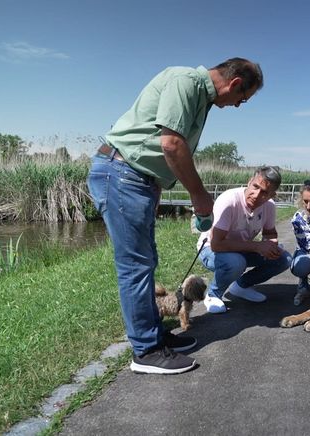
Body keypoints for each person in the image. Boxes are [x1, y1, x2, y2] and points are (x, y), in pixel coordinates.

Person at [87, 57, 263, 375]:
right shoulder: (185, 83)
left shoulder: (199, 96)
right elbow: (171, 144)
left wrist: (154, 189)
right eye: (242, 99)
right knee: (136, 267)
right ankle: (146, 351)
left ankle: (155, 337)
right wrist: (198, 194)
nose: (238, 106)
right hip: (122, 174)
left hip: (137, 180)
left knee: (146, 262)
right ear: (236, 83)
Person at [198, 166, 291, 313]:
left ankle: (241, 286)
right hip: (210, 249)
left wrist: (272, 245)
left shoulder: (269, 207)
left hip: (241, 249)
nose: (256, 194)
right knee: (236, 262)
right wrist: (257, 247)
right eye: (255, 186)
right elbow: (216, 244)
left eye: (264, 192)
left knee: (284, 259)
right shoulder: (229, 200)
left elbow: (270, 233)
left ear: (272, 195)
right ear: (249, 182)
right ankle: (213, 294)